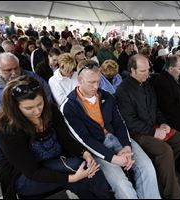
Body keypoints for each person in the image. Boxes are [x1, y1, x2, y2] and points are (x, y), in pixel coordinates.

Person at [0, 75, 111, 199]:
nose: (37, 111)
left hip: (55, 160)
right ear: (14, 108)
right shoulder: (7, 130)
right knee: (84, 174)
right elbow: (32, 172)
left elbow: (66, 138)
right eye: (29, 108)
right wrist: (72, 178)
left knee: (89, 172)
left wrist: (84, 153)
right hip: (26, 175)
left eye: (40, 104)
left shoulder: (50, 109)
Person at [60, 61, 161, 199]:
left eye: (98, 81)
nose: (96, 86)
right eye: (91, 82)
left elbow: (119, 123)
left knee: (147, 167)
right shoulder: (69, 106)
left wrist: (126, 146)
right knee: (121, 184)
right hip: (98, 148)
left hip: (117, 138)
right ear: (79, 80)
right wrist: (113, 158)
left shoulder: (106, 96)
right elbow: (85, 140)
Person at [115, 54, 180, 199]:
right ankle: (174, 194)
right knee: (165, 150)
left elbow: (156, 109)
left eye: (148, 70)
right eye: (143, 71)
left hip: (153, 126)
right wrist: (153, 132)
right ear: (132, 70)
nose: (147, 74)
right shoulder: (123, 90)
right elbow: (129, 121)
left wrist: (163, 123)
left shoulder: (147, 85)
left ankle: (164, 171)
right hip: (136, 133)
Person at [0, 52, 52, 164]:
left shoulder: (32, 77)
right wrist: (12, 128)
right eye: (8, 70)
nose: (14, 73)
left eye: (16, 68)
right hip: (9, 127)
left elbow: (47, 98)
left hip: (38, 120)